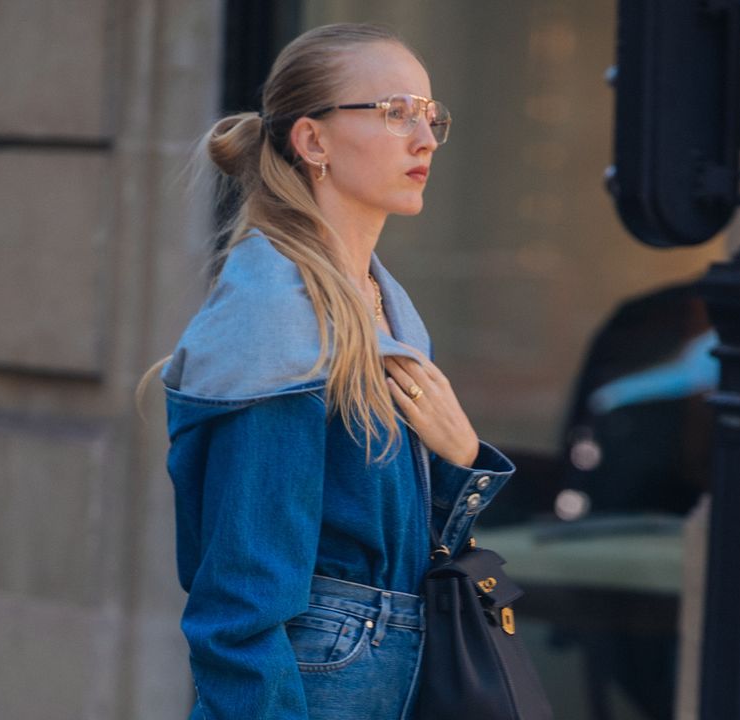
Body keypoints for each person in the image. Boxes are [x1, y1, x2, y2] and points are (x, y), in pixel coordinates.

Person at [140, 23, 517, 720]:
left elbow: (408, 560)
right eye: (395, 111)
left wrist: (461, 460)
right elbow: (239, 612)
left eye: (431, 116)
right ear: (313, 141)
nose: (424, 138)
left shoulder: (387, 312)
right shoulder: (276, 319)